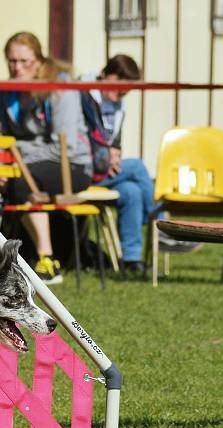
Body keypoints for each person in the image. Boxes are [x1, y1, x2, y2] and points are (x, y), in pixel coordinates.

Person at [0, 32, 93, 284]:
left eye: (24, 61)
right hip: (24, 165)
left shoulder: (60, 87)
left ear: (39, 59)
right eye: (12, 61)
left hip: (72, 166)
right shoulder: (4, 93)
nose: (18, 67)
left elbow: (63, 146)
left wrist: (18, 154)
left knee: (22, 184)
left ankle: (48, 260)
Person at [83, 54, 200, 275]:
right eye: (119, 90)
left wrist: (114, 155)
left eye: (125, 93)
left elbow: (114, 140)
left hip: (104, 167)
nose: (120, 96)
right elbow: (80, 136)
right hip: (84, 169)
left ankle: (131, 260)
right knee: (136, 166)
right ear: (109, 75)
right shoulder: (84, 96)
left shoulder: (118, 104)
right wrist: (106, 157)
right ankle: (164, 228)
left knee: (132, 191)